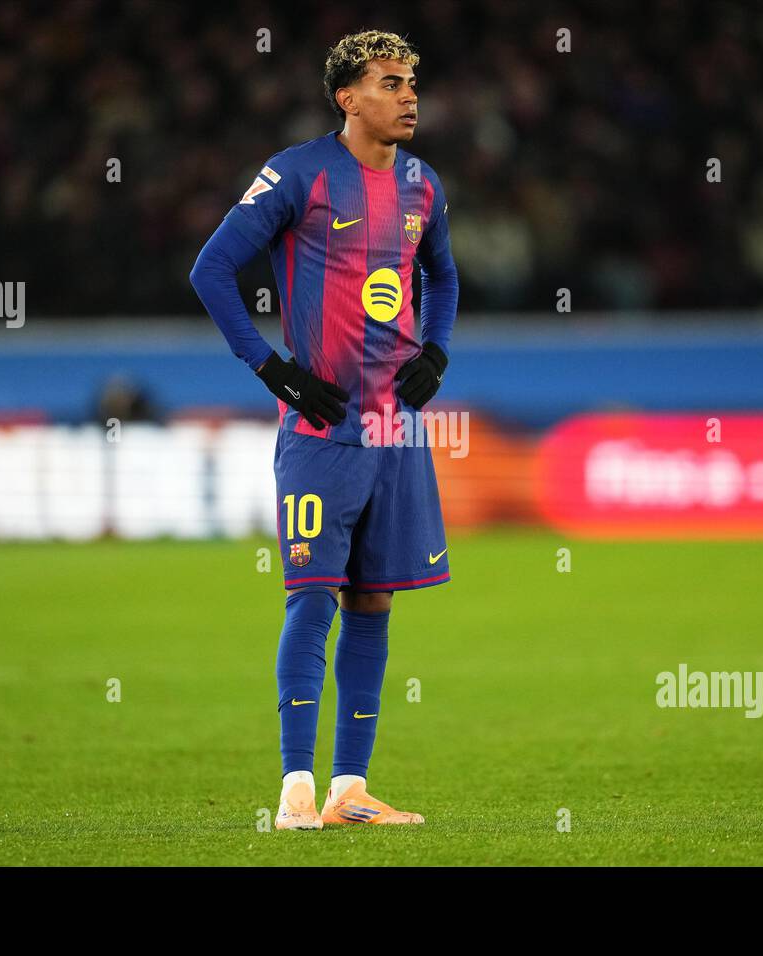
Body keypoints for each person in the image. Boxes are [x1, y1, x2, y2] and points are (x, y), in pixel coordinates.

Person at [190, 29, 458, 829]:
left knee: (374, 600)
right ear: (347, 97)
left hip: (396, 434)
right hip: (322, 432)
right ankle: (295, 792)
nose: (409, 95)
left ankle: (350, 789)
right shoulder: (298, 173)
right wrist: (271, 369)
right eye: (389, 82)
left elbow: (441, 274)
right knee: (313, 601)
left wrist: (437, 352)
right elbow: (211, 269)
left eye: (413, 81)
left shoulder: (424, 186)